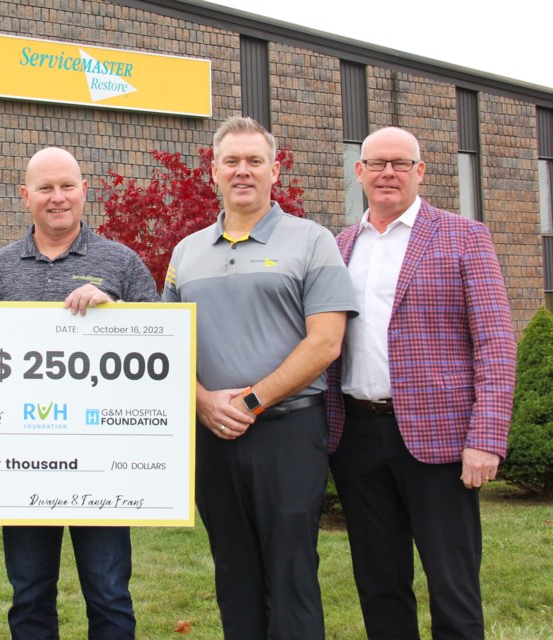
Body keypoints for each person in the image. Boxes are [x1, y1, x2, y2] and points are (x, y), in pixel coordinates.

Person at [162, 116, 357, 639]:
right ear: (214, 172)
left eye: (254, 161)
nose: (242, 171)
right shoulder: (186, 252)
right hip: (212, 434)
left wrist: (250, 402)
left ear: (275, 170)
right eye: (232, 161)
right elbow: (167, 345)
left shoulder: (313, 242)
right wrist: (202, 401)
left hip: (289, 431)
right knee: (234, 570)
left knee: (292, 569)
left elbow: (325, 343)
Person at [325, 127, 516, 639]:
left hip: (443, 441)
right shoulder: (340, 245)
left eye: (401, 163)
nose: (389, 172)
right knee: (379, 583)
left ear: (420, 172)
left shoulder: (464, 236)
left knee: (453, 586)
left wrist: (485, 438)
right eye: (378, 163)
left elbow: (496, 343)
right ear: (359, 171)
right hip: (357, 438)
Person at [0, 147, 157, 639]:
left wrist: (115, 310)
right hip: (23, 461)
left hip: (101, 460)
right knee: (30, 594)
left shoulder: (122, 263)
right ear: (25, 197)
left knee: (109, 594)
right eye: (45, 188)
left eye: (67, 186)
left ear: (84, 190)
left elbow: (163, 346)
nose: (57, 198)